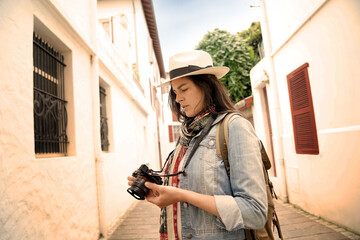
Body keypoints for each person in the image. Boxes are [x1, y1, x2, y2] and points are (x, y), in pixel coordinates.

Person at [128, 50, 267, 240]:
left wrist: (181, 195)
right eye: (175, 92)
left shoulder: (234, 126)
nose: (177, 99)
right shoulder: (188, 133)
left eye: (184, 89)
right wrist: (156, 187)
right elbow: (186, 183)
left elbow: (255, 212)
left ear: (206, 86)